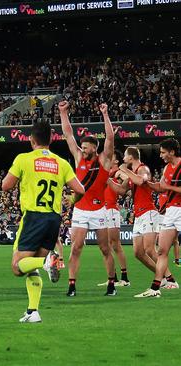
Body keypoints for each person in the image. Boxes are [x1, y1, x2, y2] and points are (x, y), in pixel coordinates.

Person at [2, 120, 85, 323]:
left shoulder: (24, 159)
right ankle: (33, 311)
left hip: (33, 217)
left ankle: (48, 262)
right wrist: (71, 200)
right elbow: (80, 190)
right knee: (31, 268)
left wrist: (21, 179)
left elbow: (6, 185)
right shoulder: (61, 163)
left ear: (31, 140)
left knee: (17, 266)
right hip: (53, 219)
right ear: (52, 139)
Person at [59, 101, 117, 297]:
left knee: (104, 248)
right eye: (82, 146)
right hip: (81, 210)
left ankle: (111, 283)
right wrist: (63, 112)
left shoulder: (104, 160)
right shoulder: (78, 158)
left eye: (86, 147)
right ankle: (72, 285)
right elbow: (68, 134)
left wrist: (105, 114)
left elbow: (110, 137)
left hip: (99, 210)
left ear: (94, 148)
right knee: (76, 248)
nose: (82, 149)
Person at [112, 147, 177, 288]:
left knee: (149, 249)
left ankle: (170, 280)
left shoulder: (143, 169)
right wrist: (106, 180)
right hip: (139, 215)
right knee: (138, 252)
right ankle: (163, 277)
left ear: (131, 157)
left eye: (125, 156)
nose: (123, 159)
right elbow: (121, 191)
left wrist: (125, 170)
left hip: (149, 212)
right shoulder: (131, 174)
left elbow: (141, 181)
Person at [136, 138, 181, 297]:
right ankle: (155, 288)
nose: (160, 155)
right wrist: (147, 183)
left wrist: (168, 187)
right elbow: (160, 188)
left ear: (172, 152)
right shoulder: (167, 168)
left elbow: (166, 187)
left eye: (163, 152)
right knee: (162, 251)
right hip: (170, 212)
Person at [101, 150, 130, 287]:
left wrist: (120, 189)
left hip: (112, 210)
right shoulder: (107, 173)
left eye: (111, 156)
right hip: (104, 210)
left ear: (116, 160)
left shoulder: (117, 172)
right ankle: (113, 278)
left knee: (115, 244)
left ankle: (124, 278)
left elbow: (127, 179)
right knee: (106, 246)